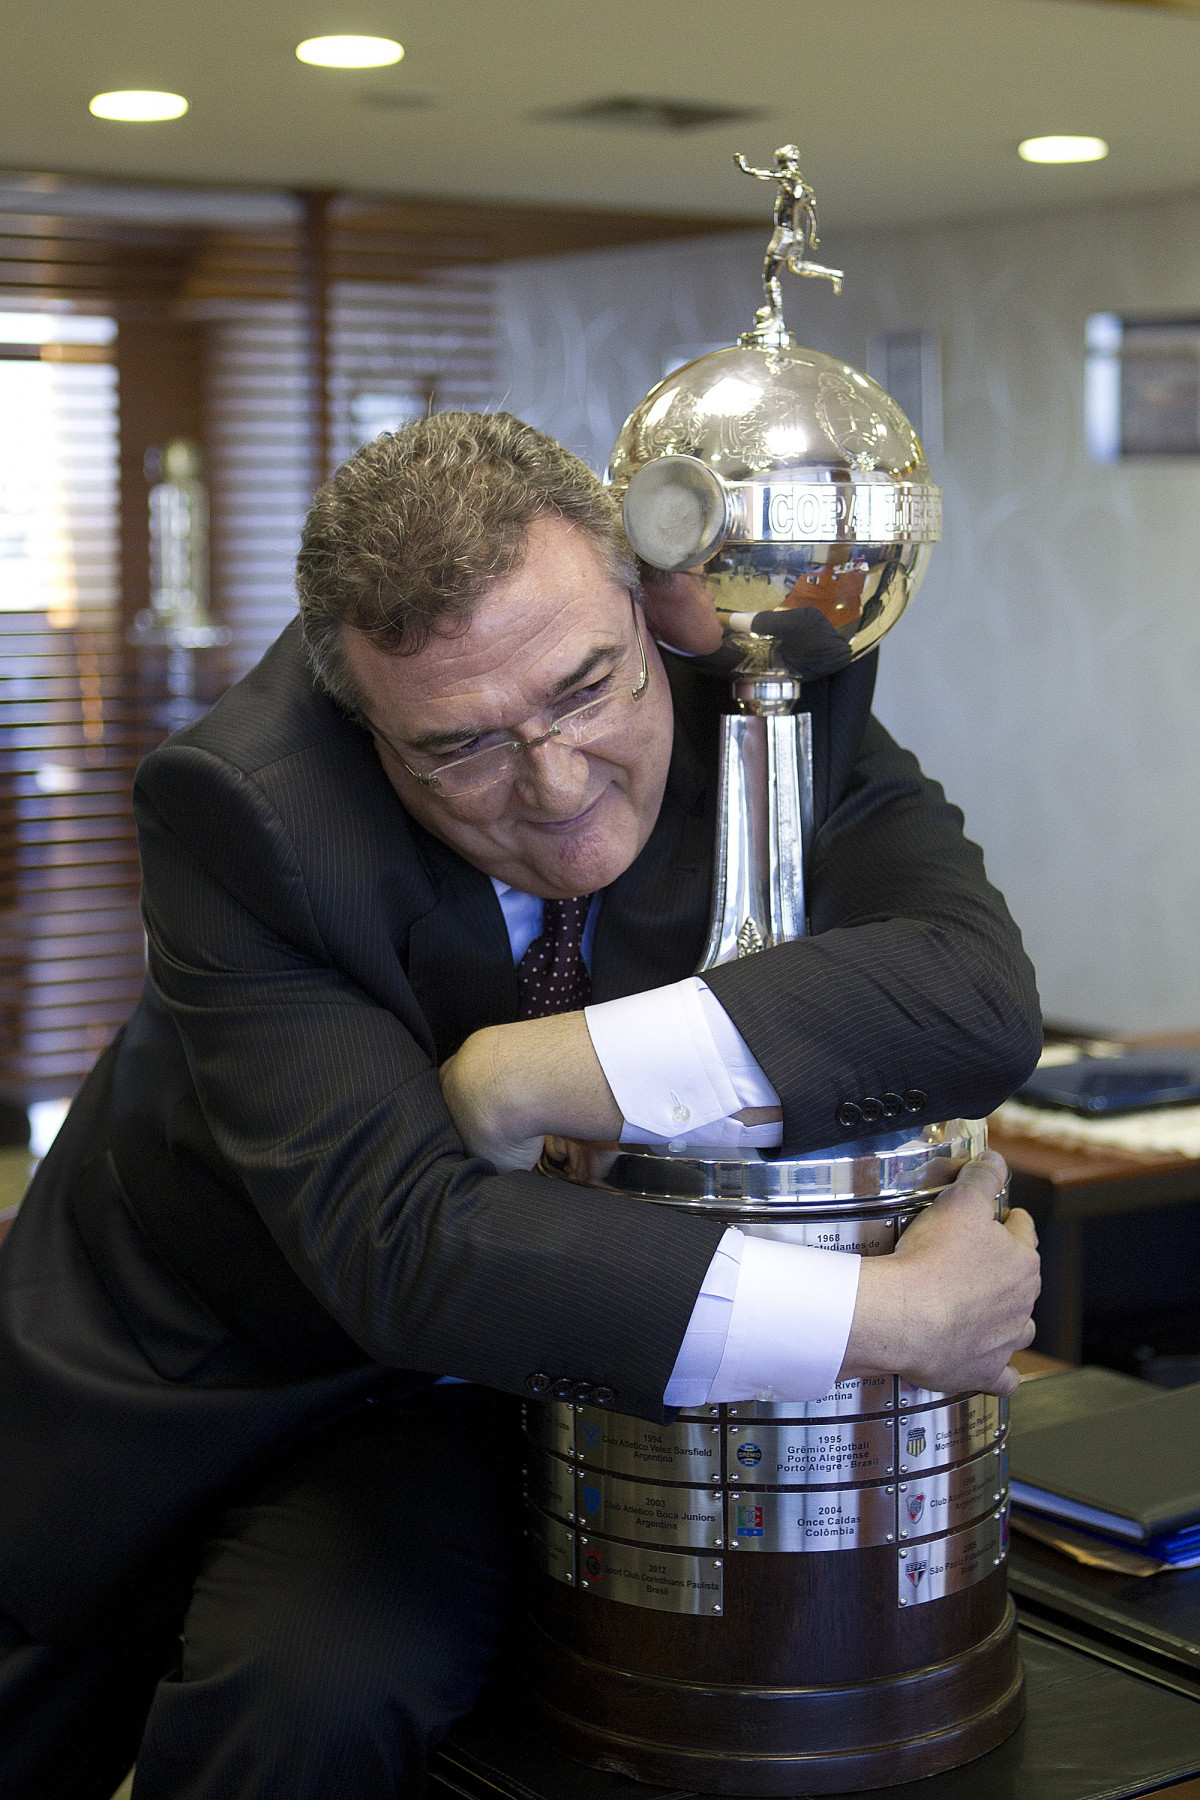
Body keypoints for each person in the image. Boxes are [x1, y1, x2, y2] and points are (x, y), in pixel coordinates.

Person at [0, 412, 1041, 1799]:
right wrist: (894, 1324)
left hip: (487, 1374)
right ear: (364, 721)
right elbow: (400, 1242)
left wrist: (531, 1071)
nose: (555, 786)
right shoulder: (245, 809)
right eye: (461, 751)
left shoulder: (761, 682)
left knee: (307, 1697)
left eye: (587, 688)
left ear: (647, 599)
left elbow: (973, 998)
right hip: (189, 1359)